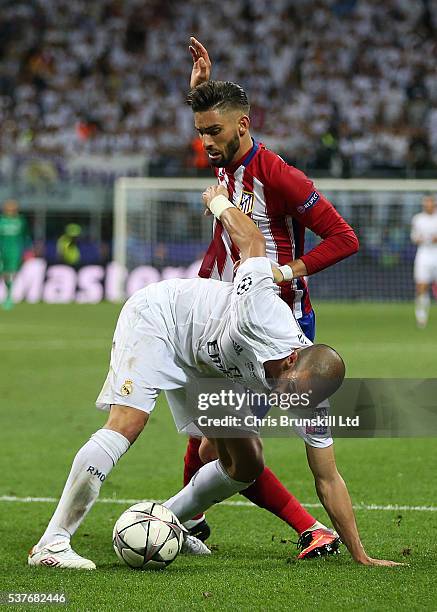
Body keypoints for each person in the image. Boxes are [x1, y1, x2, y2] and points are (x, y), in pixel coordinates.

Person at [28, 185, 401, 570]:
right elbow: (253, 240)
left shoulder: (310, 396)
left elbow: (328, 478)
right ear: (291, 361)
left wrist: (361, 554)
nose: (291, 404)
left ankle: (165, 519)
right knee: (129, 421)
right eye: (291, 394)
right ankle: (52, 543)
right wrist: (220, 202)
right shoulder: (263, 310)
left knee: (246, 462)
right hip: (162, 319)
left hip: (210, 365)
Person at [181, 38, 360, 548]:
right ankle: (186, 523)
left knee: (227, 450)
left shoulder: (279, 176)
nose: (205, 142)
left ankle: (307, 528)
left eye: (213, 132)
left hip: (278, 329)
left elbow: (345, 237)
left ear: (243, 126)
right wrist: (199, 92)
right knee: (207, 435)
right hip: (223, 313)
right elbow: (212, 121)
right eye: (200, 132)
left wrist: (286, 272)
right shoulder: (224, 159)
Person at [411, 195, 437, 328]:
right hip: (424, 254)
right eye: (426, 202)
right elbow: (414, 237)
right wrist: (419, 239)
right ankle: (421, 317)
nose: (428, 204)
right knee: (421, 286)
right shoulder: (418, 219)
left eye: (430, 202)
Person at [0, 199, 31, 310]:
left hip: (14, 251)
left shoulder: (21, 221)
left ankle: (9, 297)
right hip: (1, 250)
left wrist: (28, 249)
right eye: (8, 209)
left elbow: (26, 236)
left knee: (9, 274)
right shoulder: (1, 220)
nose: (10, 211)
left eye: (12, 209)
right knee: (2, 271)